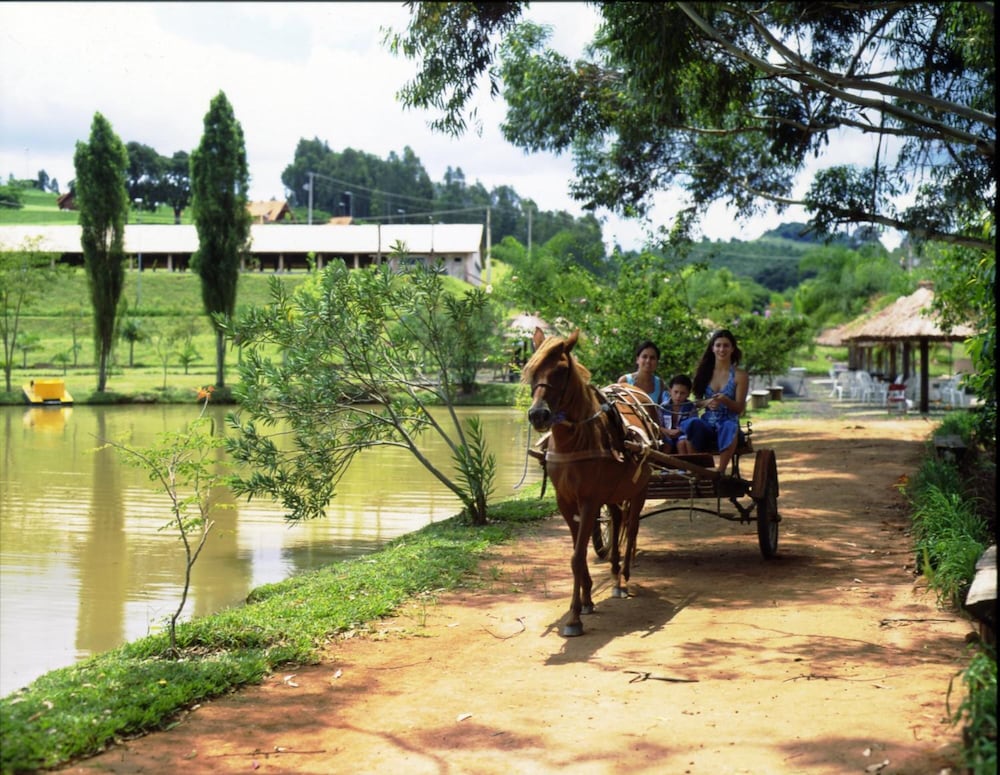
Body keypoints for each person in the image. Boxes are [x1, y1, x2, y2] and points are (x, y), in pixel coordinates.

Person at [682, 329, 749, 475]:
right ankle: (697, 470)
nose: (722, 349)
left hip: (729, 422)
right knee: (692, 423)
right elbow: (696, 403)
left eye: (726, 345)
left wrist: (725, 400)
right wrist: (707, 402)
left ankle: (720, 472)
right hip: (707, 423)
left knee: (729, 427)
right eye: (718, 345)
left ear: (732, 348)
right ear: (712, 348)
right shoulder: (704, 372)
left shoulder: (740, 375)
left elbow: (739, 408)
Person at [659, 374, 698, 454]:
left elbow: (693, 424)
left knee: (681, 443)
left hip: (683, 435)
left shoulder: (691, 407)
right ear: (670, 391)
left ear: (688, 394)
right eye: (676, 392)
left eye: (682, 393)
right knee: (665, 444)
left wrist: (679, 431)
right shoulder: (663, 406)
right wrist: (668, 431)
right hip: (666, 434)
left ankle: (685, 462)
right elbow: (658, 425)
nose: (678, 396)